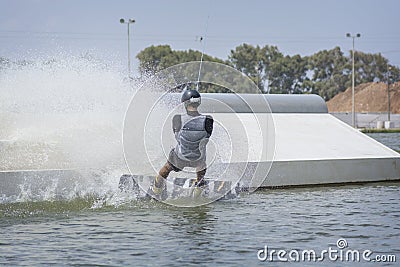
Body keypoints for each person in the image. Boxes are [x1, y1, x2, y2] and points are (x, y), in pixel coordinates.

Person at [151, 89, 214, 197]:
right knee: (201, 158)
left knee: (166, 169)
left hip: (180, 157)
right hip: (198, 159)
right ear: (198, 103)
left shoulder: (177, 118)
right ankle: (199, 186)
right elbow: (207, 137)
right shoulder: (208, 119)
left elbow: (177, 137)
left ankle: (156, 190)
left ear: (185, 103)